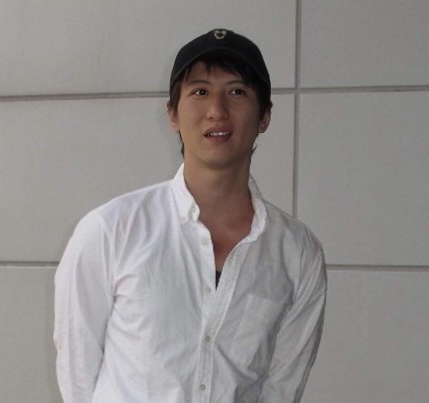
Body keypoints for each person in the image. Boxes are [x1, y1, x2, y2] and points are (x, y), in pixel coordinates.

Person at [54, 28, 326, 403]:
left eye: (237, 92)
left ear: (264, 116)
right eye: (199, 92)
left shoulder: (297, 252)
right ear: (173, 114)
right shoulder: (111, 230)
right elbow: (77, 376)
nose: (217, 110)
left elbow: (282, 388)